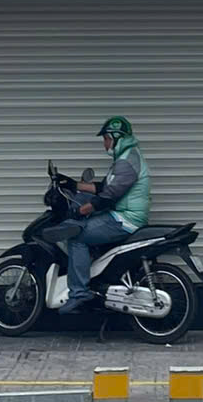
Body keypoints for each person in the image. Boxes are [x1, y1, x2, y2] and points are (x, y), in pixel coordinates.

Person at [55, 116, 151, 314]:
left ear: (116, 138)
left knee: (76, 237)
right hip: (122, 215)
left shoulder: (126, 161)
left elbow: (107, 197)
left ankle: (79, 293)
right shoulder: (127, 157)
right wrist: (74, 185)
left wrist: (80, 210)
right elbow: (104, 187)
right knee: (86, 226)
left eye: (106, 139)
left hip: (125, 219)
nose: (104, 144)